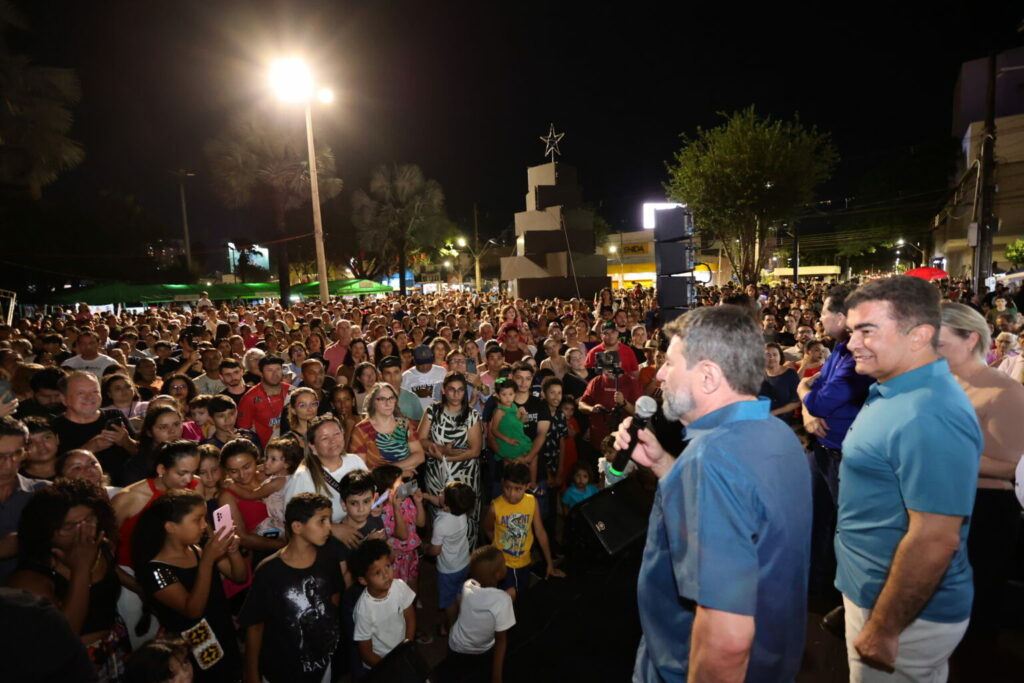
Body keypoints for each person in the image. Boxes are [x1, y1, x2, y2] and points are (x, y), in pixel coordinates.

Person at [612, 304, 811, 682]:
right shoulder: (777, 434)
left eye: (670, 363)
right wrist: (664, 465)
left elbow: (728, 640)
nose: (661, 375)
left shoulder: (711, 461)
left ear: (707, 376)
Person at [836, 277, 982, 679]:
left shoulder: (928, 412)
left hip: (904, 614)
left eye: (867, 331)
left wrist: (884, 627)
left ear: (919, 335)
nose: (852, 344)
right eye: (852, 331)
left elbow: (935, 536)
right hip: (879, 594)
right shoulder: (895, 389)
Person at [937, 302, 1024, 646]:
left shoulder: (1005, 391)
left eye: (939, 344)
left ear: (971, 338)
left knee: (975, 608)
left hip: (985, 509)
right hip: (942, 503)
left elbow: (1012, 468)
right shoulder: (943, 383)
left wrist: (937, 455)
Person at [7, 478, 131, 680]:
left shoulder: (101, 545)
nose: (83, 531)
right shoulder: (29, 580)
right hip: (72, 665)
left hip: (115, 650)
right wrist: (81, 569)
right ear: (46, 531)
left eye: (89, 519)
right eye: (70, 526)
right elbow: (63, 637)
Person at [797, 283, 874, 600]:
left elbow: (820, 399)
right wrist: (807, 408)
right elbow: (816, 397)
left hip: (845, 456)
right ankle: (815, 588)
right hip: (821, 451)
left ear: (842, 317)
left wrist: (803, 394)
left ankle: (847, 597)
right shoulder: (840, 351)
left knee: (847, 528)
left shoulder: (857, 358)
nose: (820, 320)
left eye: (824, 313)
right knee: (813, 522)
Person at [132, 489, 246, 682]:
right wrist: (208, 560)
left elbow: (239, 577)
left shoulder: (196, 550)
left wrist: (233, 551)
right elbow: (193, 610)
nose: (204, 525)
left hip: (223, 635)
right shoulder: (156, 570)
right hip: (192, 653)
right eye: (197, 520)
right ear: (171, 527)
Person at [239, 493, 341, 683]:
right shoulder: (269, 571)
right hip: (282, 670)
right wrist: (252, 675)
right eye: (322, 521)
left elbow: (334, 601)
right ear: (297, 527)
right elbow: (255, 627)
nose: (329, 527)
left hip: (322, 665)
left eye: (329, 520)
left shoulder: (328, 559)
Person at [283, 414, 369, 548]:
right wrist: (332, 529)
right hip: (324, 545)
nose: (333, 441)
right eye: (324, 438)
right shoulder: (303, 477)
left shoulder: (355, 461)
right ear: (312, 446)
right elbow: (292, 522)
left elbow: (370, 493)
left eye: (336, 434)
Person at [482, 461, 564, 600]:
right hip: (503, 565)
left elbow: (540, 532)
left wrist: (549, 564)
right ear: (502, 483)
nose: (511, 494)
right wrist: (499, 546)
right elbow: (488, 529)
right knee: (506, 599)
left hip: (525, 562)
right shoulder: (495, 507)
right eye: (507, 487)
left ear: (527, 486)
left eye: (517, 489)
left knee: (522, 593)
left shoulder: (532, 501)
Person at [419, 371, 483, 546]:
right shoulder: (432, 410)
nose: (456, 394)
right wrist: (440, 450)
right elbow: (420, 439)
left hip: (464, 476)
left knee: (466, 519)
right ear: (443, 390)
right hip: (436, 475)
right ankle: (442, 556)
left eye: (461, 390)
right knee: (439, 516)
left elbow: (475, 451)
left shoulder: (471, 415)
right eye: (452, 389)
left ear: (466, 391)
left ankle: (467, 560)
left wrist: (445, 458)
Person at [438, 546, 515, 683]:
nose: (506, 564)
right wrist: (497, 677)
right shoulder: (503, 600)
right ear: (498, 574)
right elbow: (501, 641)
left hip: (455, 645)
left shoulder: (467, 585)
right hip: (480, 651)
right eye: (503, 563)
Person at [53, 371, 138, 487]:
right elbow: (51, 471)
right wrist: (90, 448)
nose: (89, 397)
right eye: (81, 393)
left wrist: (126, 442)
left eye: (95, 391)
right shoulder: (54, 427)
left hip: (125, 491)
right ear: (64, 399)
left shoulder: (114, 416)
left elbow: (142, 455)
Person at [351, 538, 417, 670]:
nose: (386, 574)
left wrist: (407, 646)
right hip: (380, 663)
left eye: (387, 566)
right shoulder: (364, 610)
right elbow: (366, 653)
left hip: (402, 652)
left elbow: (410, 617)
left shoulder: (399, 587)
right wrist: (390, 667)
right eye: (377, 572)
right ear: (363, 580)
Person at [221, 437, 303, 538]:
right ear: (226, 471)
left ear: (256, 460)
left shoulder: (274, 477)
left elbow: (251, 495)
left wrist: (233, 486)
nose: (242, 475)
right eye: (234, 471)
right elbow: (242, 537)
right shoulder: (227, 496)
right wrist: (283, 546)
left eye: (246, 467)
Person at [349, 381, 425, 475]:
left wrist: (392, 469)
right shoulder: (361, 429)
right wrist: (400, 471)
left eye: (391, 398)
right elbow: (361, 472)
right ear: (373, 402)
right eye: (382, 399)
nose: (388, 403)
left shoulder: (404, 425)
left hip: (405, 485)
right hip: (377, 487)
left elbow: (420, 455)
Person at [370, 466, 425, 592]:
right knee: (397, 590)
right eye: (400, 482)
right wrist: (396, 509)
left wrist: (418, 502)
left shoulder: (406, 501)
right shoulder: (383, 513)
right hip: (395, 559)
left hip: (411, 554)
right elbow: (403, 535)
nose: (404, 484)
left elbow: (421, 523)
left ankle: (413, 603)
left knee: (412, 584)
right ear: (388, 491)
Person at [236, 355, 290, 447]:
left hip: (292, 448)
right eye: (269, 370)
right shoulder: (249, 398)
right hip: (265, 452)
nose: (275, 374)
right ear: (261, 373)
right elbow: (243, 431)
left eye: (278, 369)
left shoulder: (292, 391)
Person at [489, 378, 533, 480]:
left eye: (511, 394)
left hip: (517, 439)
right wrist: (507, 440)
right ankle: (508, 483)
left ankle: (529, 483)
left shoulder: (514, 407)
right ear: (498, 395)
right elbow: (494, 430)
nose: (508, 398)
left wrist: (523, 416)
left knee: (530, 459)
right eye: (504, 395)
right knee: (509, 467)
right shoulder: (499, 411)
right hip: (505, 442)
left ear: (515, 394)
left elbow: (519, 423)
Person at [760, 342, 801, 425]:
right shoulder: (759, 374)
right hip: (762, 415)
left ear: (780, 357)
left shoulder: (790, 373)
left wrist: (773, 413)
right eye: (767, 355)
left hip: (782, 417)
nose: (771, 357)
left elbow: (797, 402)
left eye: (775, 354)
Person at [401, 344, 447, 414]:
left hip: (439, 414)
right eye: (421, 363)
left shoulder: (442, 372)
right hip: (416, 416)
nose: (425, 366)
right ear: (414, 361)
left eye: (427, 362)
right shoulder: (406, 376)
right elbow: (403, 401)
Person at [377, 355, 424, 422]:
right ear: (381, 376)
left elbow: (420, 426)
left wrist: (402, 419)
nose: (392, 377)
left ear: (401, 373)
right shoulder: (374, 398)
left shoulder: (412, 398)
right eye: (388, 373)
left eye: (396, 372)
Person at [21, 415, 60, 480]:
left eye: (46, 438)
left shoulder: (74, 469)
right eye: (30, 442)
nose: (41, 445)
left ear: (57, 439)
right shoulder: (14, 479)